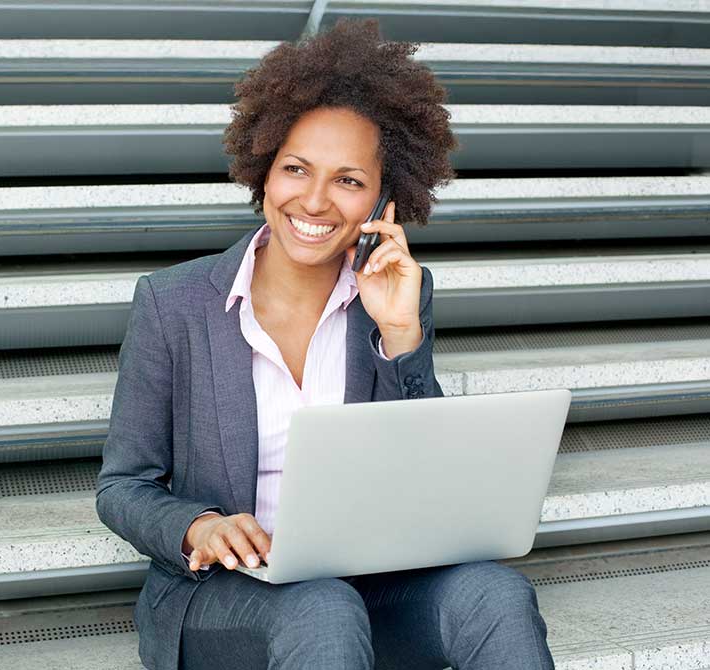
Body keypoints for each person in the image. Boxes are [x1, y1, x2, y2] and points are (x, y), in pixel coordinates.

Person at [97, 17, 554, 670]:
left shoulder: (398, 297)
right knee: (319, 605)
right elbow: (123, 487)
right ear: (263, 172)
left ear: (383, 201)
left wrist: (400, 333)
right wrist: (199, 525)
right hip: (226, 599)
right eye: (295, 169)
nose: (312, 201)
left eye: (347, 179)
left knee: (493, 591)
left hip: (367, 586)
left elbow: (432, 478)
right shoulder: (174, 304)